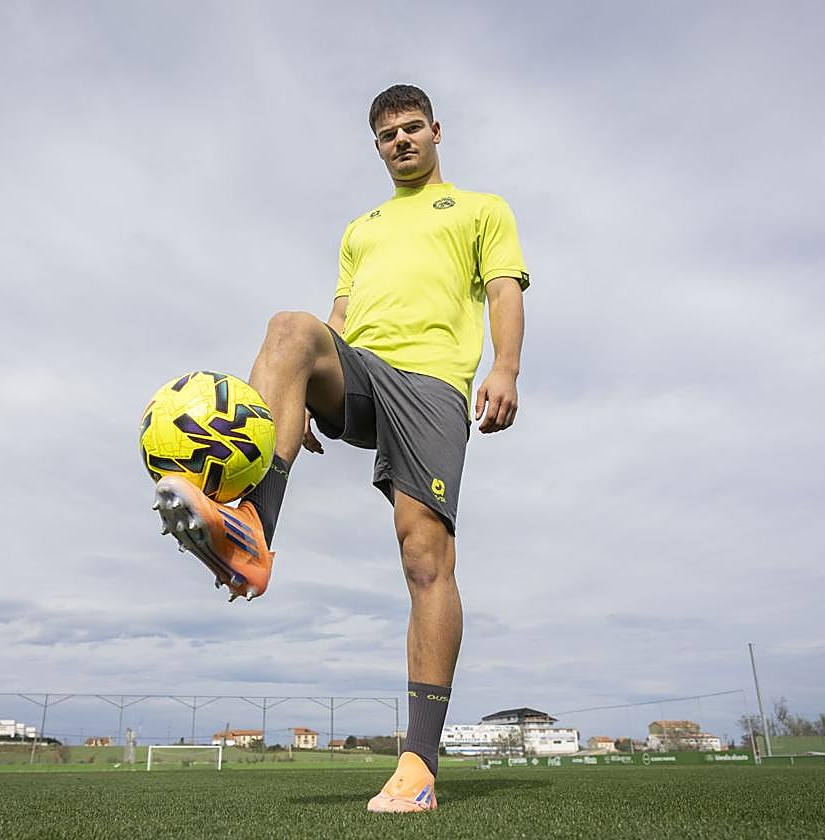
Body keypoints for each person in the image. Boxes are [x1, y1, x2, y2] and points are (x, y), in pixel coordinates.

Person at [153, 83, 528, 812]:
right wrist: (303, 395)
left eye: (413, 129)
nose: (402, 142)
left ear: (437, 131)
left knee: (423, 553)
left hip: (431, 386)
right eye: (388, 135)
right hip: (362, 372)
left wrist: (505, 368)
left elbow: (505, 288)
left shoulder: (482, 209)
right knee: (291, 329)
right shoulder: (361, 228)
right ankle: (251, 532)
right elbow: (339, 317)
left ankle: (419, 763)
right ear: (377, 147)